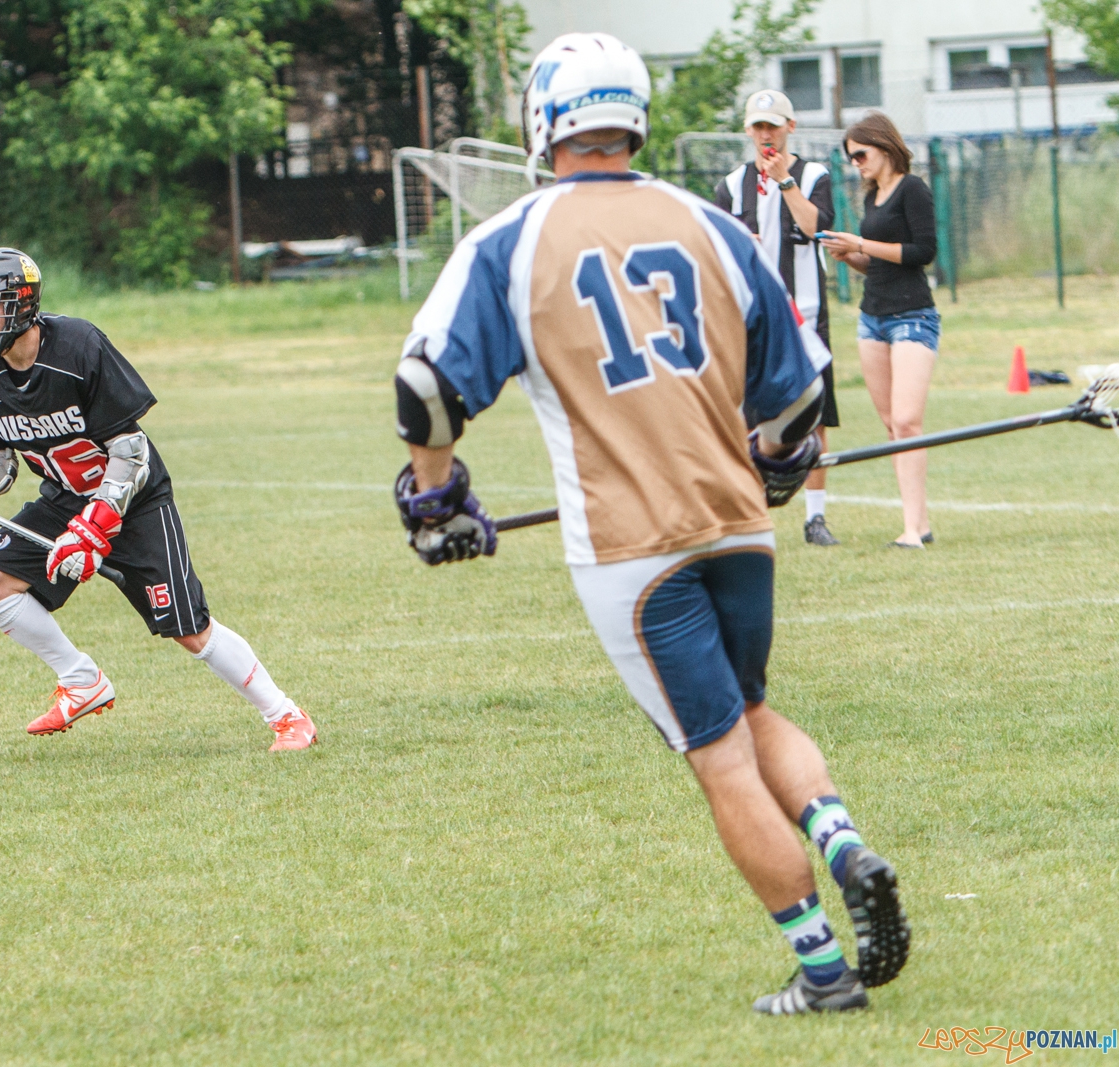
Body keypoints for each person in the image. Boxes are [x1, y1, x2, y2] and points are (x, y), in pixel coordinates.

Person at [392, 33, 909, 1013]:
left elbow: (425, 388)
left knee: (718, 754)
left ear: (545, 120)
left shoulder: (512, 239)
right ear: (632, 116)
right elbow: (801, 394)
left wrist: (435, 498)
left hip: (631, 550)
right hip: (737, 527)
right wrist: (775, 465)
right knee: (750, 710)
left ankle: (822, 972)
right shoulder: (707, 222)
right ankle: (844, 844)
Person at [0, 247, 316, 750]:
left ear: (22, 303)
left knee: (189, 629)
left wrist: (94, 527)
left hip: (133, 500)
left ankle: (287, 717)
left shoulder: (77, 347)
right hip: (64, 499)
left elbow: (131, 454)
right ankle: (82, 680)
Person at [714, 89, 842, 547]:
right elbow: (719, 249)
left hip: (806, 313)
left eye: (773, 126)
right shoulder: (732, 184)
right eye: (758, 126)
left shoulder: (813, 175)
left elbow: (815, 228)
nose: (765, 135)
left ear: (790, 127)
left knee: (814, 415)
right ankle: (751, 516)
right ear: (748, 130)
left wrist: (784, 181)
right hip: (752, 318)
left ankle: (816, 517)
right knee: (747, 417)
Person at [817, 112, 940, 549]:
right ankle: (918, 523)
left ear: (884, 147)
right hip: (872, 319)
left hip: (912, 317)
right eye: (851, 158)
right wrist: (850, 256)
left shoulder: (912, 189)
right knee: (891, 425)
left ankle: (912, 531)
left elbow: (923, 251)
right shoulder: (872, 197)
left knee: (907, 421)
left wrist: (860, 243)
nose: (856, 163)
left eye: (860, 154)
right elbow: (879, 264)